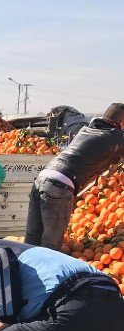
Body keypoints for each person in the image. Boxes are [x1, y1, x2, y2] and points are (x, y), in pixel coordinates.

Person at [26, 102, 124, 250]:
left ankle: (20, 272)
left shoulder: (87, 129)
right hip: (59, 187)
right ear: (122, 123)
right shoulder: (115, 136)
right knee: (50, 246)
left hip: (41, 179)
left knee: (32, 240)